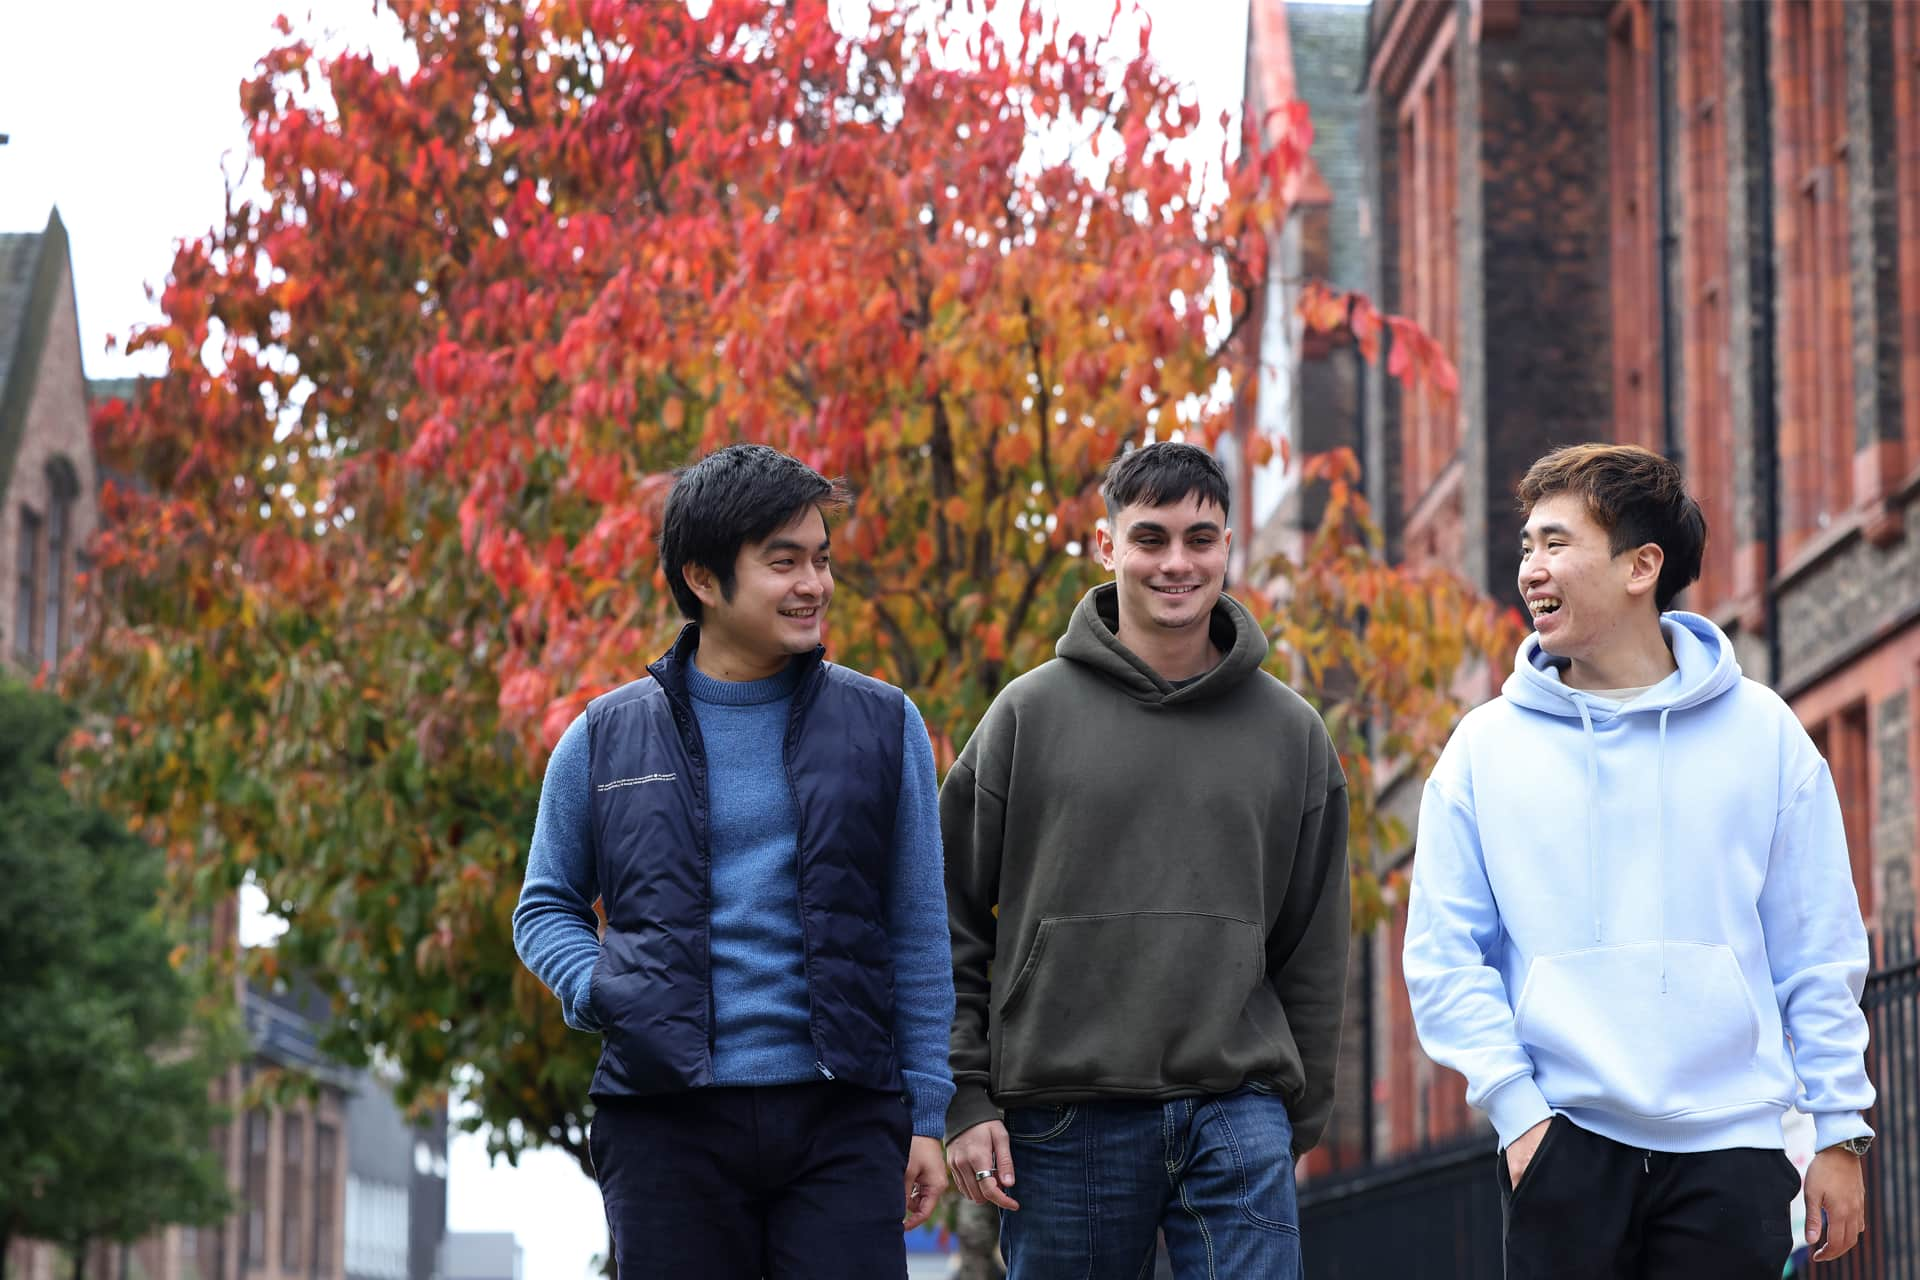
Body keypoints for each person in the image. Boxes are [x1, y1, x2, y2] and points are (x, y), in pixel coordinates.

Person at [1403, 443, 1875, 1279]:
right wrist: (1521, 1118)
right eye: (1526, 548)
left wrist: (1837, 1127)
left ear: (1640, 566)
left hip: (1733, 1151)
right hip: (1565, 1148)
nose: (1530, 571)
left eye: (1556, 544)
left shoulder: (1762, 734)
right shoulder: (1484, 750)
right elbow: (1444, 957)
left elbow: (1817, 946)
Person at [512, 444, 954, 1278]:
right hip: (664, 1123)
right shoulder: (604, 736)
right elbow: (543, 907)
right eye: (783, 562)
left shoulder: (885, 725)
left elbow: (918, 931)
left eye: (821, 560)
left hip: (844, 1119)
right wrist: (602, 989)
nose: (813, 585)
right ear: (705, 579)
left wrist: (926, 1113)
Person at [942, 441, 1350, 1279]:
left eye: (1200, 539)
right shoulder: (1026, 715)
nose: (1177, 562)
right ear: (1107, 547)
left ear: (1229, 547)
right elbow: (940, 916)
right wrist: (965, 1094)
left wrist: (1293, 1114)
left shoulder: (1291, 732)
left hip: (1237, 1107)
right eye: (1151, 537)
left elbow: (1315, 942)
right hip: (1063, 1117)